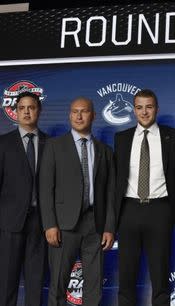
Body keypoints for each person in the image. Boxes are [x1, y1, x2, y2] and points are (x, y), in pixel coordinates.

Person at [40, 97, 115, 306]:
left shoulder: (105, 151)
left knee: (94, 285)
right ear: (69, 115)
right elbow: (45, 189)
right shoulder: (54, 146)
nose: (79, 116)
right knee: (57, 284)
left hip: (95, 225)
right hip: (63, 226)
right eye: (74, 111)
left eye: (84, 111)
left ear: (93, 115)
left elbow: (110, 193)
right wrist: (50, 225)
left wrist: (108, 227)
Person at [114, 89, 175, 306]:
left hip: (159, 210)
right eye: (140, 107)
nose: (144, 112)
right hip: (129, 210)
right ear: (134, 110)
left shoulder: (173, 136)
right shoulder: (122, 138)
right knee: (126, 276)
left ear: (157, 109)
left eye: (149, 107)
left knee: (160, 276)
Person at [0, 92, 47, 306]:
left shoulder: (51, 144)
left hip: (40, 223)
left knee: (35, 283)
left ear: (39, 110)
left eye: (31, 107)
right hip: (9, 223)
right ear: (15, 112)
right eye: (22, 108)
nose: (27, 112)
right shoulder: (3, 143)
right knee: (6, 283)